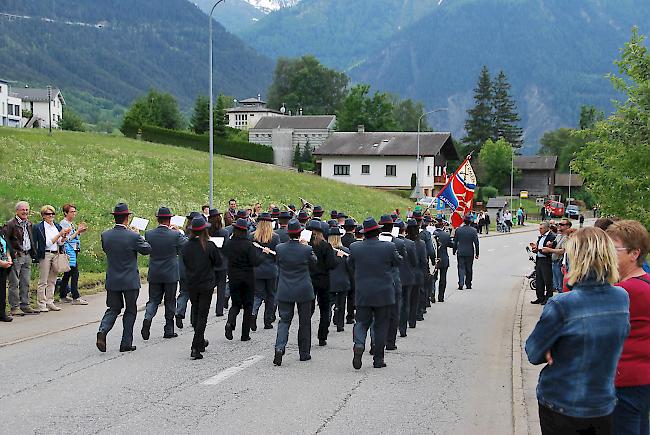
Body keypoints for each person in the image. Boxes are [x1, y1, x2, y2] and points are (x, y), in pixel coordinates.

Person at [525, 227, 630, 434]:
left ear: (576, 258)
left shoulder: (562, 304)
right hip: (602, 402)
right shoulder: (621, 297)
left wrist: (553, 348)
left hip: (561, 402)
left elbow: (533, 352)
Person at [606, 220, 650, 434]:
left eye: (613, 249)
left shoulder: (624, 291)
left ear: (634, 253)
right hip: (641, 378)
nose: (607, 255)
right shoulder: (646, 283)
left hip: (624, 381)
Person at [96, 203, 151, 353]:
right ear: (127, 218)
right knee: (130, 310)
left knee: (113, 308)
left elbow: (106, 249)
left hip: (113, 278)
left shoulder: (105, 235)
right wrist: (138, 235)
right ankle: (126, 342)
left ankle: (103, 330)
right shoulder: (133, 236)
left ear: (115, 218)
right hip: (130, 279)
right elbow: (147, 250)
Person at [349, 217, 401, 369]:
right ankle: (378, 359)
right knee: (380, 326)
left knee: (361, 322)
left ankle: (359, 344)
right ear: (378, 232)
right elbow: (398, 262)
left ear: (364, 233)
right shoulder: (389, 247)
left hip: (363, 291)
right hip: (383, 293)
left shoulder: (355, 247)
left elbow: (350, 264)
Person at [273, 219, 317, 366]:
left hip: (285, 288)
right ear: (299, 233)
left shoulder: (280, 248)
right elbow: (314, 263)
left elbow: (278, 263)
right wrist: (307, 246)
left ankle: (279, 348)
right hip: (303, 288)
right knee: (304, 322)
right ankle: (304, 353)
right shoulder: (306, 249)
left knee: (284, 321)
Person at [142, 207, 187, 341]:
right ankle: (168, 329)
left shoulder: (149, 234)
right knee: (170, 300)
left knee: (153, 300)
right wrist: (178, 231)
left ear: (157, 219)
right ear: (170, 220)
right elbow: (185, 246)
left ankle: (147, 318)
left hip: (155, 271)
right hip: (171, 272)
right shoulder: (175, 235)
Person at [181, 216, 221, 359]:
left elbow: (185, 263)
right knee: (202, 316)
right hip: (206, 284)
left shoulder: (185, 246)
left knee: (196, 311)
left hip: (192, 283)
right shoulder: (209, 246)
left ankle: (200, 342)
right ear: (205, 230)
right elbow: (218, 262)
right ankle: (195, 346)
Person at [224, 218, 265, 341]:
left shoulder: (229, 243)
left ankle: (230, 322)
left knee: (236, 303)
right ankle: (245, 334)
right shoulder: (248, 245)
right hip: (247, 278)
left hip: (233, 277)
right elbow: (255, 262)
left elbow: (224, 254)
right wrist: (263, 254)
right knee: (248, 305)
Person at [307, 219, 339, 346]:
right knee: (325, 309)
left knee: (308, 309)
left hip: (309, 279)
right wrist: (337, 259)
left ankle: (305, 333)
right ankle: (322, 336)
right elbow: (331, 264)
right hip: (323, 280)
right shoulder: (325, 245)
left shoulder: (305, 245)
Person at [33, 205, 71, 312]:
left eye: (52, 214)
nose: (50, 216)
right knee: (43, 280)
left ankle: (50, 301)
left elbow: (60, 242)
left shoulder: (56, 226)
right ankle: (41, 303)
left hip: (56, 253)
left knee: (52, 280)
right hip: (45, 254)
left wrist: (63, 236)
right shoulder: (40, 227)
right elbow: (47, 243)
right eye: (48, 214)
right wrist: (59, 234)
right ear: (43, 215)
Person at [3, 201, 38, 316]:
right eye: (22, 210)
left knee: (26, 281)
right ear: (17, 211)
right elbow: (5, 241)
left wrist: (33, 253)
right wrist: (11, 255)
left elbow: (30, 239)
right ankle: (14, 307)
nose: (25, 212)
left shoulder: (28, 223)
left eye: (27, 210)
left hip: (27, 255)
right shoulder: (10, 224)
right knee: (14, 282)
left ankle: (25, 304)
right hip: (17, 256)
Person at [379, 215, 407, 350]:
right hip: (394, 281)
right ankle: (390, 342)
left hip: (378, 282)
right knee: (394, 313)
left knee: (377, 315)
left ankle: (376, 342)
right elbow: (402, 261)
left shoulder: (373, 242)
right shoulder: (399, 243)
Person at [251, 212, 280, 331]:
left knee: (257, 295)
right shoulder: (275, 237)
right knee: (271, 295)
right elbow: (277, 255)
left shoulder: (252, 236)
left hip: (256, 270)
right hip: (271, 270)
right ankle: (268, 320)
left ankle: (253, 315)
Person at [58, 204, 89, 305]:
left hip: (73, 249)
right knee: (75, 273)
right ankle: (76, 296)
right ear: (65, 213)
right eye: (71, 212)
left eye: (75, 211)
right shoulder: (64, 224)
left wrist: (79, 232)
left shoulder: (70, 223)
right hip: (69, 251)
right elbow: (67, 238)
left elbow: (73, 236)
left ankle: (63, 295)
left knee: (68, 273)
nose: (74, 214)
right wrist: (78, 232)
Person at [175, 211, 200, 328]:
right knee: (196, 295)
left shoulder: (181, 234)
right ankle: (194, 319)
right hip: (194, 269)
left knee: (184, 292)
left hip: (182, 267)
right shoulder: (195, 238)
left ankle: (179, 312)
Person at [395, 219, 417, 338]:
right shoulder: (410, 243)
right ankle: (403, 328)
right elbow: (414, 261)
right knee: (405, 303)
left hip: (394, 277)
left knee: (395, 303)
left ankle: (394, 326)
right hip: (407, 276)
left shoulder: (391, 242)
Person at [327, 223, 351, 332]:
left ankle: (327, 320)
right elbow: (350, 267)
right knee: (341, 304)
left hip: (329, 280)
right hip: (343, 280)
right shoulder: (345, 250)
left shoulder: (326, 250)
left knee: (328, 303)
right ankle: (340, 324)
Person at [207, 208, 229, 317]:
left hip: (210, 262)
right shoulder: (224, 232)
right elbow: (227, 247)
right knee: (221, 287)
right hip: (222, 262)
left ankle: (205, 305)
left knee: (209, 286)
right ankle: (219, 310)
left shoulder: (206, 232)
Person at [530, 222, 556, 305]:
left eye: (541, 228)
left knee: (547, 280)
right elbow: (540, 247)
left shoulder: (551, 237)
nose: (539, 230)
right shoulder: (541, 237)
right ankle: (540, 297)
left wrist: (539, 249)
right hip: (539, 260)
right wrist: (535, 249)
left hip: (546, 260)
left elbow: (550, 250)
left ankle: (548, 298)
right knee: (539, 280)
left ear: (546, 228)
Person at [406, 219, 426, 328]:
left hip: (405, 274)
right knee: (415, 299)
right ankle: (412, 320)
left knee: (405, 299)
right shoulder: (421, 243)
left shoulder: (403, 242)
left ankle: (404, 319)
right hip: (417, 274)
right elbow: (424, 261)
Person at [543, 218, 571, 295]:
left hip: (560, 263)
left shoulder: (568, 237)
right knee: (556, 285)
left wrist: (549, 250)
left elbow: (563, 251)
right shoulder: (559, 236)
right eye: (559, 224)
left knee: (561, 285)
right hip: (554, 262)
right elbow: (554, 244)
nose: (559, 226)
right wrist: (550, 244)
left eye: (562, 224)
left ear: (568, 226)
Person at [453, 215, 479, 290]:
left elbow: (455, 242)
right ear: (470, 222)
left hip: (460, 251)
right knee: (469, 268)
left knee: (461, 268)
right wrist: (477, 253)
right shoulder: (473, 231)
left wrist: (454, 250)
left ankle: (461, 283)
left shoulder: (458, 230)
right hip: (470, 252)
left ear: (464, 221)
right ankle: (468, 284)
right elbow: (476, 243)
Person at [433, 219, 452, 302]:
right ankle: (441, 297)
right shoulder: (446, 235)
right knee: (443, 278)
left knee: (433, 278)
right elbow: (451, 245)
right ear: (442, 226)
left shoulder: (432, 234)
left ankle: (432, 294)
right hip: (444, 258)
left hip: (435, 259)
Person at [0, 229, 14, 322]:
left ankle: (2, 313)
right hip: (1, 263)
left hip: (3, 265)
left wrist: (9, 258)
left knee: (1, 291)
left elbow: (6, 246)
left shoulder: (1, 232)